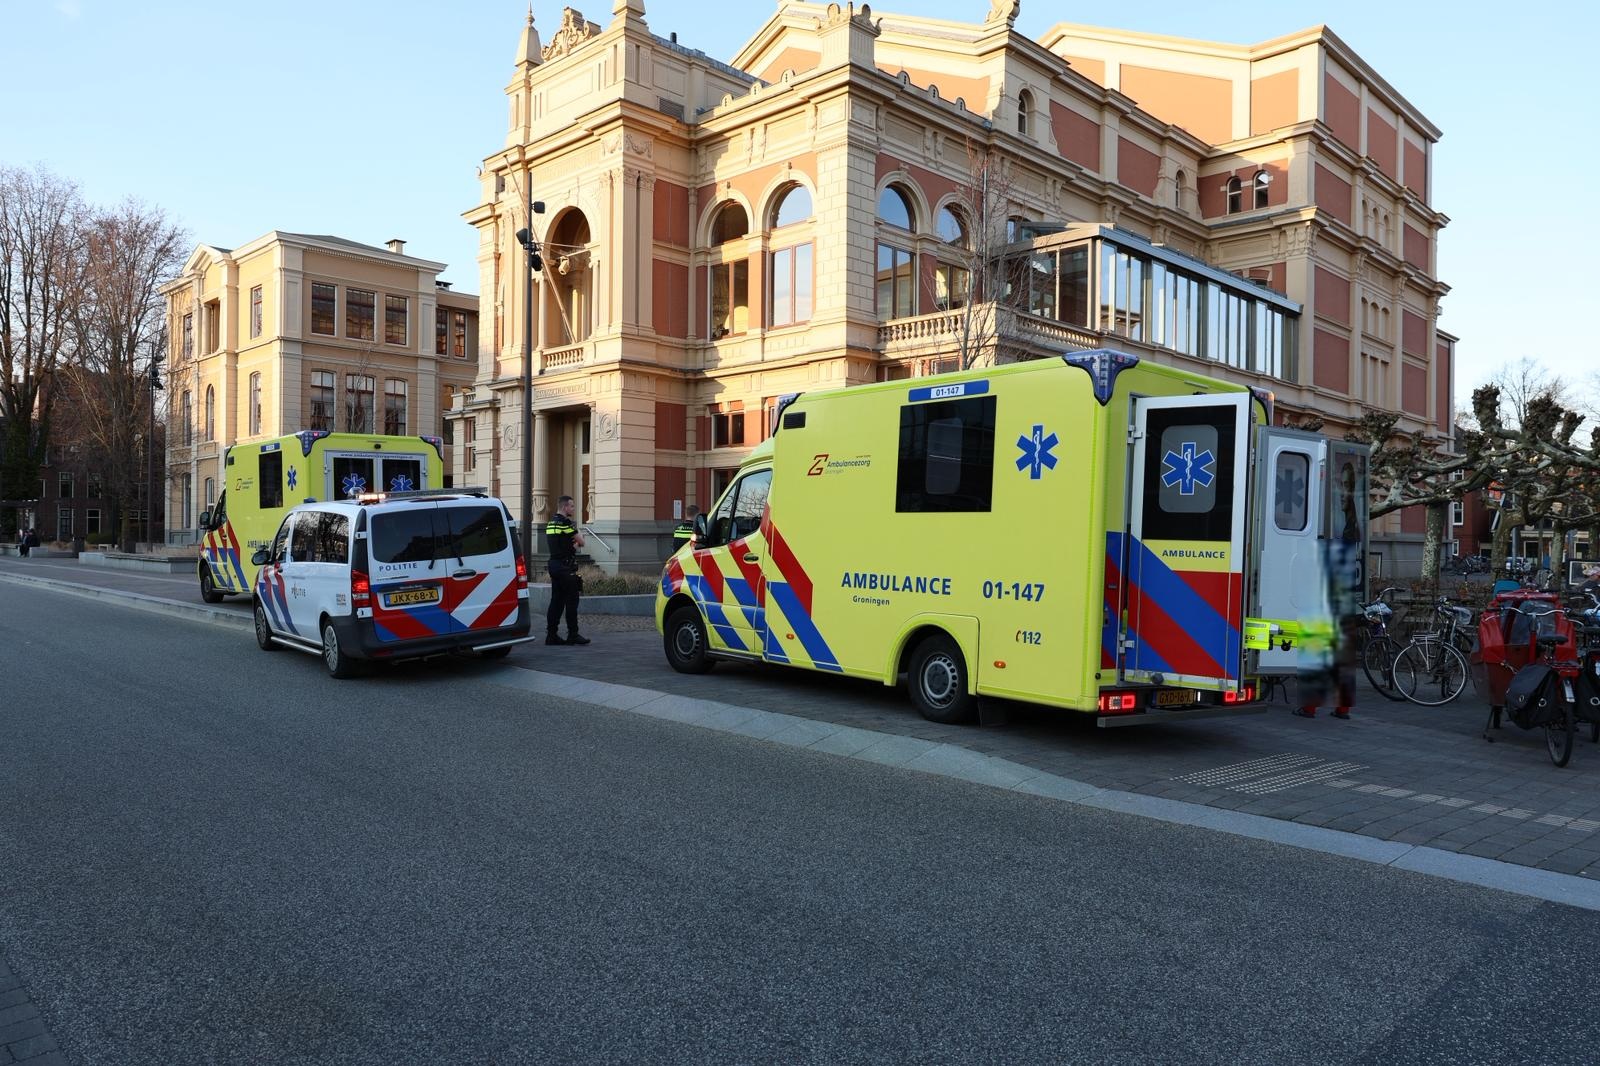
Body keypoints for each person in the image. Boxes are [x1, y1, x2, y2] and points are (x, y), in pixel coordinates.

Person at [544, 494, 589, 646]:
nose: (573, 508)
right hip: (565, 567)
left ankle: (551, 635)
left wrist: (571, 546)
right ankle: (573, 634)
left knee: (556, 601)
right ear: (564, 507)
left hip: (554, 565)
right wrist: (580, 538)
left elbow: (561, 545)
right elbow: (581, 542)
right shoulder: (565, 523)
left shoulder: (551, 523)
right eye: (571, 506)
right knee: (571, 601)